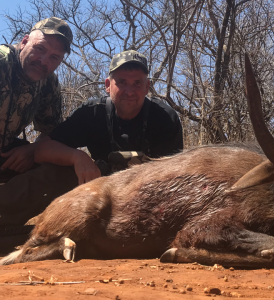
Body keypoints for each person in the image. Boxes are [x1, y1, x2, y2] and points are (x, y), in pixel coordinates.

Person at [0, 50, 183, 231]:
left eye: (137, 83)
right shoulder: (92, 112)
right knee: (55, 172)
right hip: (98, 189)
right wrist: (77, 157)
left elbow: (176, 177)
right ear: (107, 85)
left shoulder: (165, 118)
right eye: (122, 82)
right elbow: (42, 150)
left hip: (148, 195)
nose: (129, 91)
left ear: (147, 87)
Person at [0, 17, 73, 180]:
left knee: (64, 169)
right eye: (40, 48)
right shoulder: (2, 61)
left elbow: (52, 132)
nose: (43, 61)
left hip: (6, 154)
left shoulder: (49, 83)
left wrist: (32, 151)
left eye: (54, 57)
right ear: (25, 41)